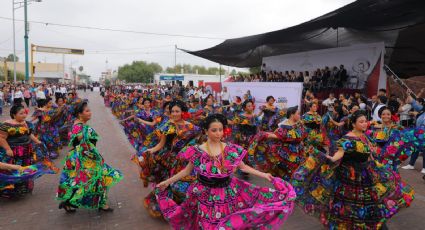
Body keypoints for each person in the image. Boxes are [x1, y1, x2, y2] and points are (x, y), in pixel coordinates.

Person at [155, 114, 296, 229]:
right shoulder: (197, 151)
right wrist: (167, 182)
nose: (218, 133)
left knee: (225, 224)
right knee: (208, 224)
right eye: (214, 130)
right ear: (206, 131)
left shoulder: (231, 149)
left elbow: (243, 167)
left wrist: (264, 175)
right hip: (205, 194)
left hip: (227, 194)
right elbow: (186, 171)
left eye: (220, 130)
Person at [292, 110, 414, 229]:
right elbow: (337, 156)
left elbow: (371, 156)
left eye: (365, 121)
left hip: (367, 176)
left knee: (372, 204)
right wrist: (326, 157)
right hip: (350, 179)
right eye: (361, 122)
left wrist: (381, 167)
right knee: (350, 208)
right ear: (353, 123)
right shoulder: (347, 140)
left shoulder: (365, 136)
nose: (364, 124)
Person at [132, 100, 201, 218]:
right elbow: (161, 145)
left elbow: (197, 141)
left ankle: (182, 209)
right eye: (172, 111)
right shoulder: (167, 125)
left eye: (177, 111)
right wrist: (149, 151)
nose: (174, 113)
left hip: (185, 162)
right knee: (170, 184)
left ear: (183, 112)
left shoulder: (192, 127)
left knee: (185, 185)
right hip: (170, 160)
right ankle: (166, 208)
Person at [57, 102, 123, 212]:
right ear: (79, 114)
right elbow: (77, 138)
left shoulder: (80, 125)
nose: (90, 113)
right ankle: (72, 201)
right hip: (83, 159)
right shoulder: (79, 126)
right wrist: (81, 136)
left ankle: (99, 203)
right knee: (96, 178)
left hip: (84, 157)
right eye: (87, 111)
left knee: (94, 179)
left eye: (89, 110)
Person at [0, 105, 43, 198]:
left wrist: (38, 141)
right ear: (13, 115)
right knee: (14, 169)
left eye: (25, 113)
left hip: (26, 150)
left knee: (25, 168)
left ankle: (23, 187)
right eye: (21, 113)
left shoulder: (24, 123)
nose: (24, 115)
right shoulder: (7, 124)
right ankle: (12, 189)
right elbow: (1, 138)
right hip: (14, 151)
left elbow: (29, 134)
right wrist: (7, 149)